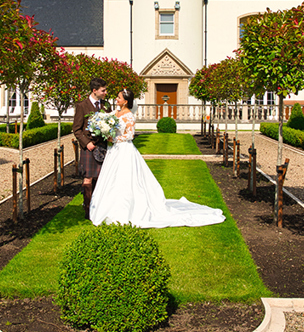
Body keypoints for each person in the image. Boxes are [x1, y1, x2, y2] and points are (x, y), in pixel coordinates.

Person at [90, 88, 225, 228]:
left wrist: (114, 139)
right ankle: (108, 207)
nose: (116, 99)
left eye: (118, 98)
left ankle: (127, 210)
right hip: (114, 151)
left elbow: (129, 135)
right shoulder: (114, 113)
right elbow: (107, 123)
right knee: (112, 178)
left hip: (123, 149)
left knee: (125, 179)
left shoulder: (129, 116)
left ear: (125, 101)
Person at [72, 77, 108, 219]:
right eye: (103, 90)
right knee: (88, 178)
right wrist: (87, 143)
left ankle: (99, 208)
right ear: (94, 91)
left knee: (101, 178)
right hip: (89, 148)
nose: (105, 93)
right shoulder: (82, 106)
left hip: (103, 147)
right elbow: (77, 129)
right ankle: (87, 210)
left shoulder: (106, 106)